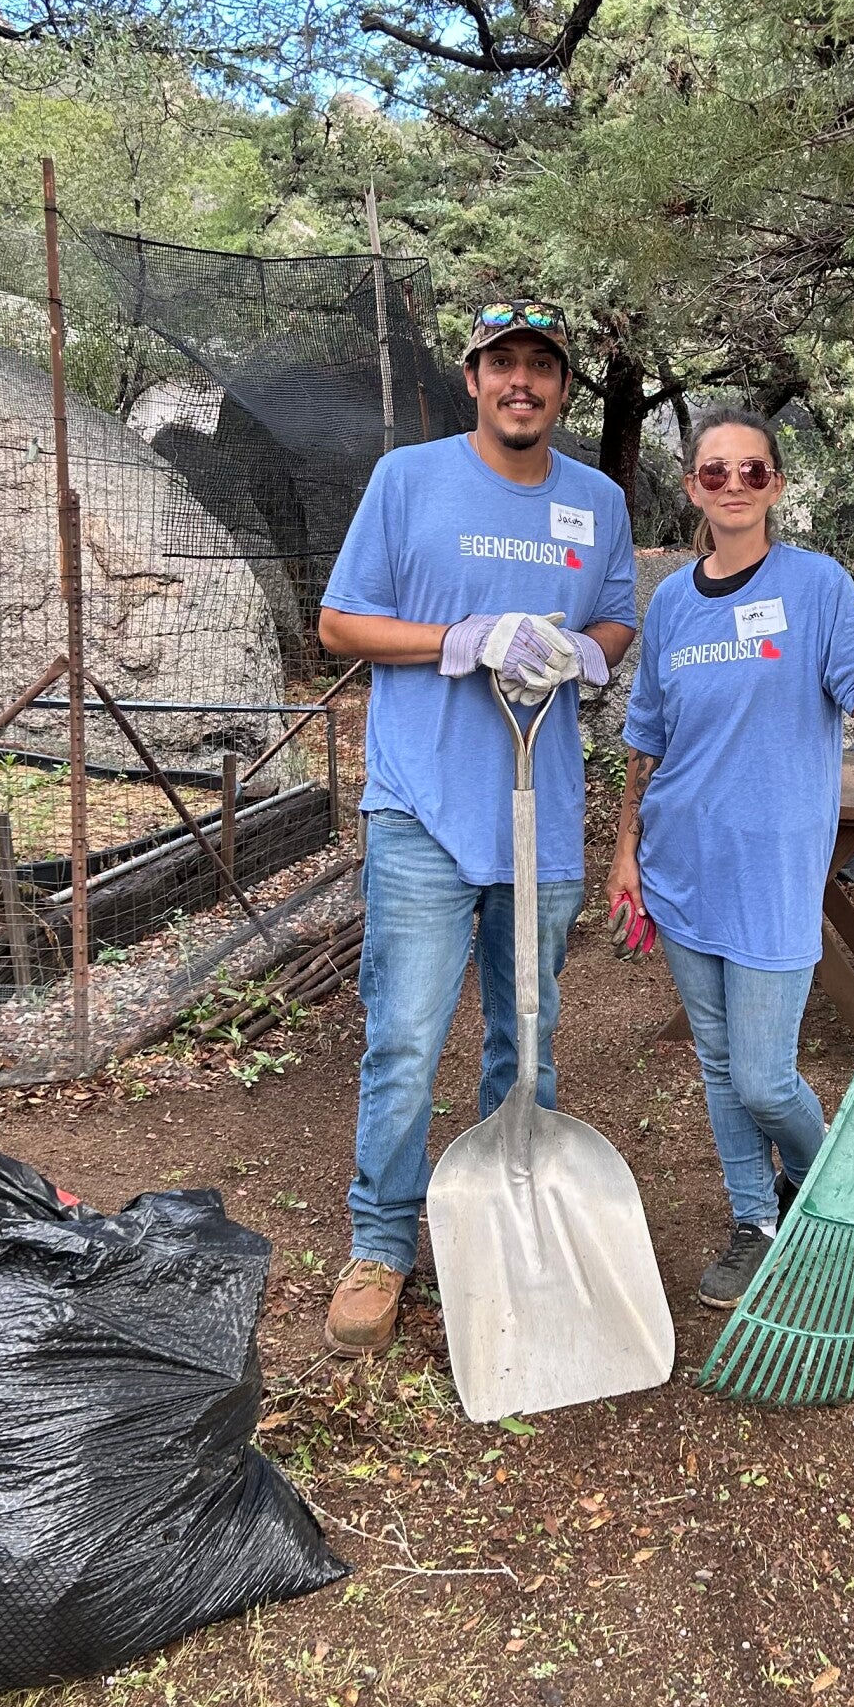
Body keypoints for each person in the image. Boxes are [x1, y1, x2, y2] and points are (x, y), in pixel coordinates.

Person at [316, 301, 637, 1353]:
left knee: (527, 1034)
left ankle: (512, 1217)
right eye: (504, 364)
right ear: (474, 379)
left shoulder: (596, 501)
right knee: (406, 1037)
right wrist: (461, 639)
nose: (522, 382)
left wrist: (585, 652)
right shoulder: (407, 480)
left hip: (541, 815)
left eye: (542, 366)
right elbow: (338, 624)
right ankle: (380, 1242)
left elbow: (618, 615)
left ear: (562, 388)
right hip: (421, 806)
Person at [606, 407, 854, 1307]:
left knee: (764, 1077)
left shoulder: (817, 585)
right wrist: (626, 853)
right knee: (718, 1066)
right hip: (681, 866)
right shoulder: (672, 603)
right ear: (692, 488)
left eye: (753, 470)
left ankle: (828, 1186)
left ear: (777, 485)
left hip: (774, 873)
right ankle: (756, 1219)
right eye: (715, 471)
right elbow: (646, 739)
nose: (735, 484)